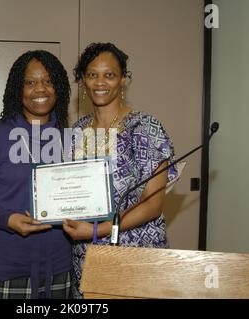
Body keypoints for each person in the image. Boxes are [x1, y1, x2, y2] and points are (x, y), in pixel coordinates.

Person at [62, 42, 180, 298]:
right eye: (92, 75)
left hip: (137, 256)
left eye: (109, 75)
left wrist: (96, 230)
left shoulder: (145, 127)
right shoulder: (78, 131)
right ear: (83, 80)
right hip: (87, 256)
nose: (100, 82)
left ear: (123, 80)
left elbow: (152, 205)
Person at [0, 50, 72, 299]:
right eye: (30, 82)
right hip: (5, 267)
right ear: (18, 88)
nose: (40, 89)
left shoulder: (70, 137)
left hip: (58, 268)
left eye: (48, 81)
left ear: (59, 87)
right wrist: (8, 219)